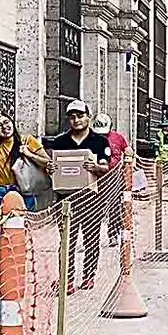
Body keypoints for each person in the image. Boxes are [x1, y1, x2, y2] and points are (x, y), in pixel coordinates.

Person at [45, 100, 111, 293]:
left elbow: (106, 167)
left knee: (91, 237)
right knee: (66, 239)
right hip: (66, 199)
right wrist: (50, 168)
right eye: (72, 117)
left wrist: (97, 168)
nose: (76, 120)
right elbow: (53, 167)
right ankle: (67, 278)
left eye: (80, 116)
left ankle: (89, 275)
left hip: (92, 199)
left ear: (88, 117)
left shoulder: (100, 142)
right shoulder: (59, 142)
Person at [0, 108, 51, 212]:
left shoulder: (27, 140)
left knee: (22, 226)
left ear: (12, 123)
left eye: (6, 122)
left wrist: (29, 154)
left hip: (22, 191)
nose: (4, 127)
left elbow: (48, 162)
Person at [92, 114, 128, 247]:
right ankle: (92, 237)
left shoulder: (118, 138)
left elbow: (128, 151)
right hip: (96, 177)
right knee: (95, 208)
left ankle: (113, 234)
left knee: (114, 206)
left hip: (114, 176)